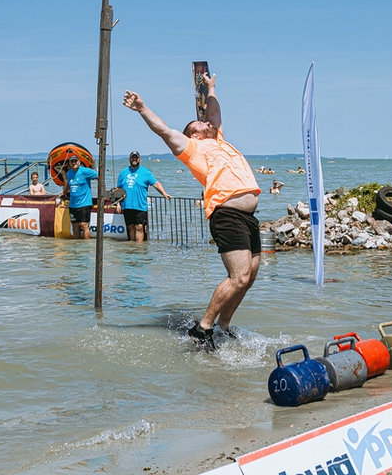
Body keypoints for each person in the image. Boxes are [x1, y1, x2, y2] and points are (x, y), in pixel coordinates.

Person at [124, 73, 261, 351]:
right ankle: (203, 328)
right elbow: (164, 130)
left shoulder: (218, 139)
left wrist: (211, 88)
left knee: (248, 278)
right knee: (239, 276)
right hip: (227, 213)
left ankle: (223, 327)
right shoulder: (192, 148)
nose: (207, 122)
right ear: (194, 134)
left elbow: (214, 114)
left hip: (248, 217)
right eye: (200, 123)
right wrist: (142, 108)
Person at [116, 151, 170, 242]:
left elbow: (156, 184)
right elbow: (118, 189)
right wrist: (118, 203)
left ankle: (139, 247)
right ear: (129, 159)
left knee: (139, 226)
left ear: (139, 159)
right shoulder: (123, 172)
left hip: (140, 205)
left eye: (136, 158)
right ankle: (132, 246)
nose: (134, 160)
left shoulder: (146, 172)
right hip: (127, 205)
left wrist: (164, 193)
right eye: (132, 158)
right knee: (130, 226)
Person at [61, 156, 98, 240]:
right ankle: (76, 245)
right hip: (73, 204)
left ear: (79, 162)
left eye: (75, 161)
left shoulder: (85, 171)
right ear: (70, 163)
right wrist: (64, 192)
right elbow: (69, 184)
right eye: (72, 161)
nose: (74, 163)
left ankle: (86, 244)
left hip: (84, 203)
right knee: (74, 225)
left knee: (84, 225)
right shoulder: (69, 173)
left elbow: (99, 177)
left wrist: (102, 190)